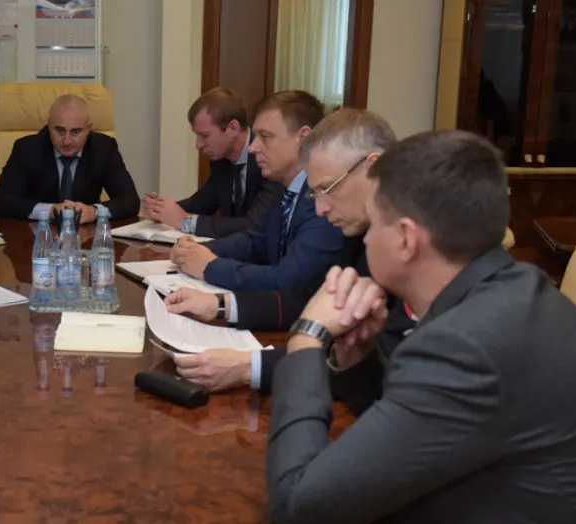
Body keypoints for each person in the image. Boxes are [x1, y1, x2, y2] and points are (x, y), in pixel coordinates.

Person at [268, 130, 576, 524]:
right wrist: (359, 363)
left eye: (374, 223)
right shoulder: (517, 291)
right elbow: (427, 428)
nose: (365, 240)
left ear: (407, 240)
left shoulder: (468, 344)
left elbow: (296, 508)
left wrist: (306, 337)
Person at [164, 109, 414, 409]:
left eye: (327, 189)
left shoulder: (408, 247)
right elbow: (309, 296)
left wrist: (251, 366)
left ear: (373, 167)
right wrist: (219, 305)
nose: (320, 209)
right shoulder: (356, 226)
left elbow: (394, 368)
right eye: (315, 194)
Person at [169, 90, 344, 292]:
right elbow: (254, 240)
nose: (252, 147)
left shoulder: (325, 199)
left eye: (265, 137)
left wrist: (211, 267)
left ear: (303, 138)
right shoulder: (281, 186)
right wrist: (194, 250)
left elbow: (287, 280)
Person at [141, 87, 276, 238]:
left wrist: (185, 221)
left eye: (204, 136)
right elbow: (203, 202)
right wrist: (159, 209)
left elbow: (254, 225)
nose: (198, 145)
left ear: (233, 128)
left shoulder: (268, 160)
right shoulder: (221, 160)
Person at [0, 93, 140, 222]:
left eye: (76, 132)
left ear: (88, 128)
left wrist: (93, 212)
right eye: (60, 130)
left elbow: (130, 201)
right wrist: (50, 211)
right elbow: (2, 203)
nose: (67, 141)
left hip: (86, 236)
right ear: (49, 125)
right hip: (37, 236)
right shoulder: (27, 148)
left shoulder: (103, 148)